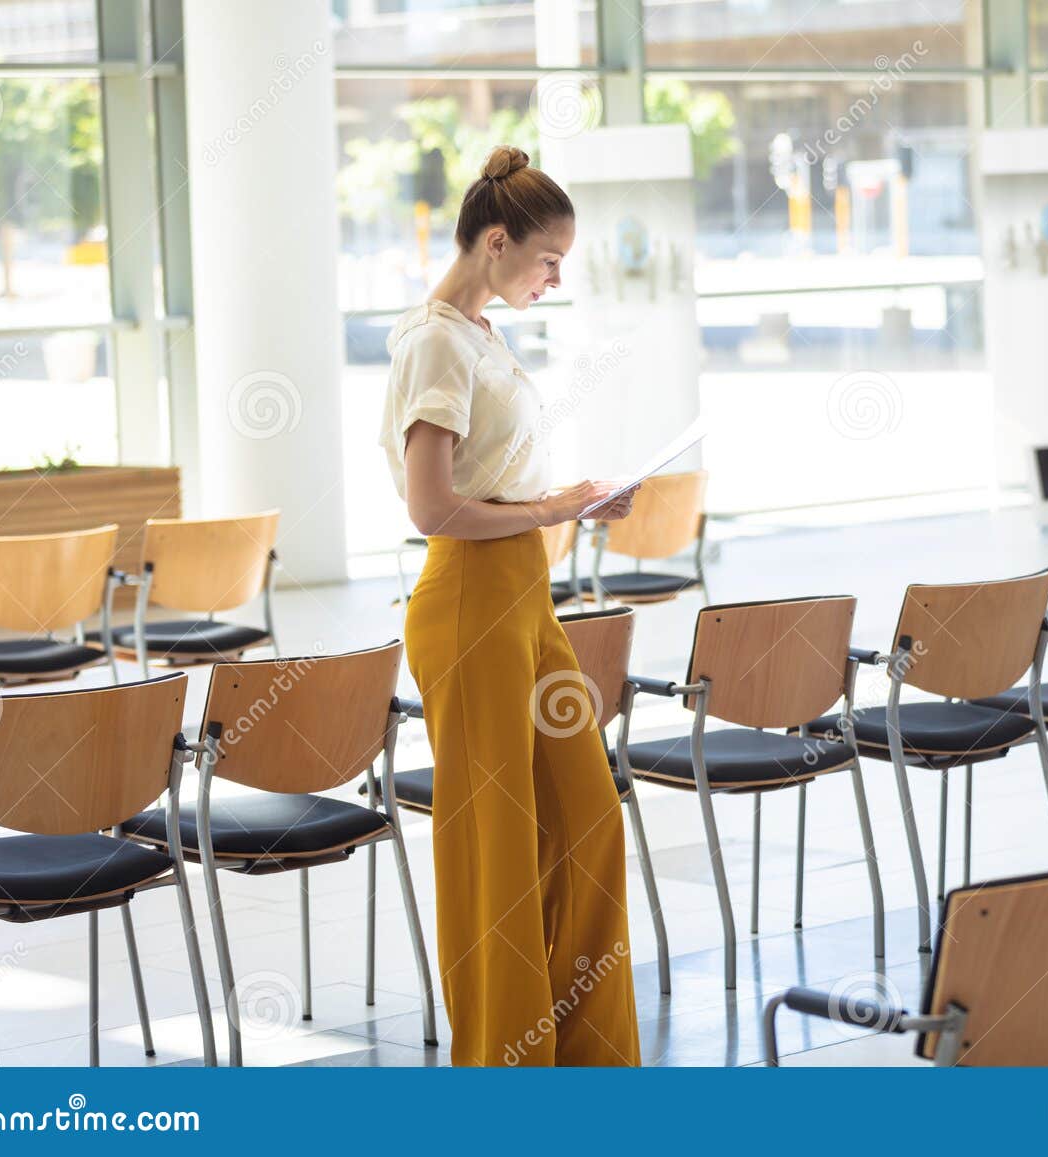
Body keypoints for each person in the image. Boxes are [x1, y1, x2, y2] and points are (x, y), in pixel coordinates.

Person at [379, 144, 641, 1067]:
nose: (557, 277)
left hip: (524, 595)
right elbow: (430, 506)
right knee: (497, 842)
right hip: (467, 601)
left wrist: (569, 498)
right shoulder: (437, 339)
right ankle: (506, 1064)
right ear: (497, 241)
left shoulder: (480, 333)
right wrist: (561, 505)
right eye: (548, 259)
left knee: (586, 815)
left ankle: (583, 1050)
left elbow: (492, 483)